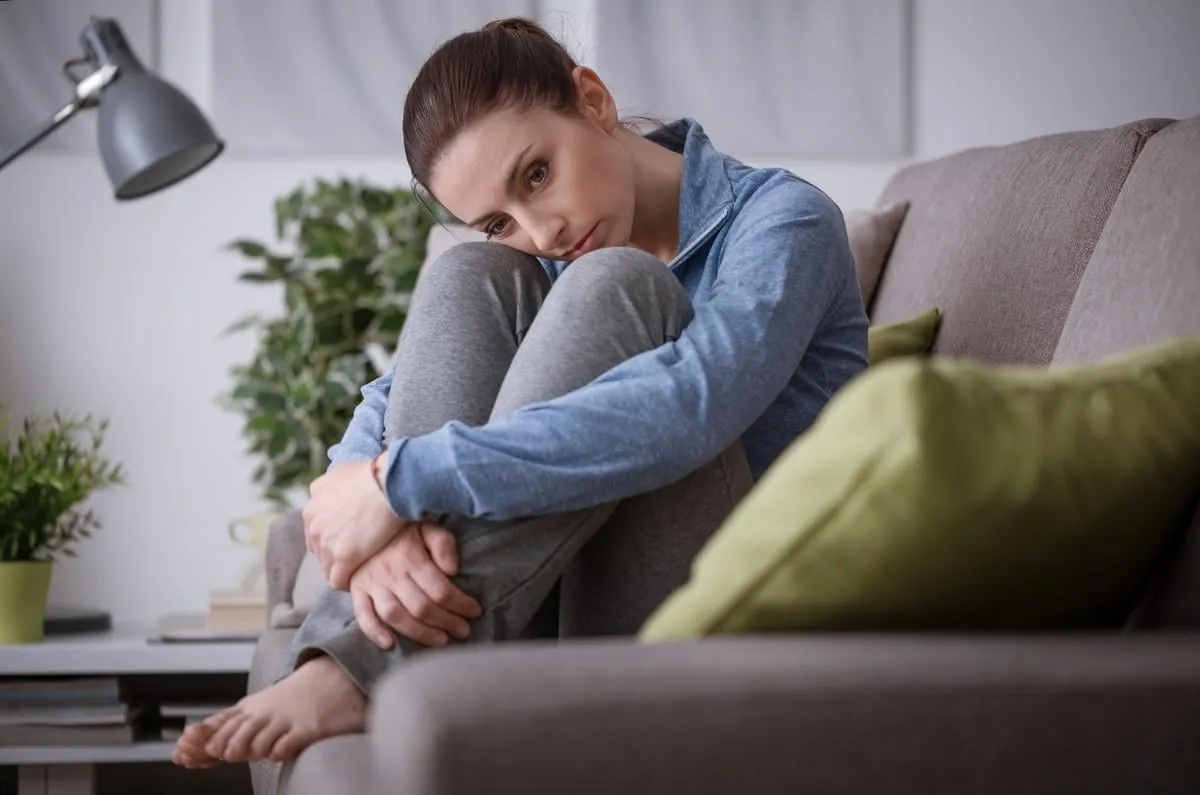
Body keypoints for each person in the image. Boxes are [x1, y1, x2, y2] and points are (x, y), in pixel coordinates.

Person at [173, 16, 867, 770]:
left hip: (724, 595)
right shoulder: (543, 252)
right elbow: (390, 395)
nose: (543, 231)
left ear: (592, 99)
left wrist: (401, 481)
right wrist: (368, 508)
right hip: (549, 584)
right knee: (467, 274)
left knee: (615, 283)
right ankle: (367, 648)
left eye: (536, 174)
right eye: (500, 220)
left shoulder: (785, 220)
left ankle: (365, 667)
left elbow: (696, 403)